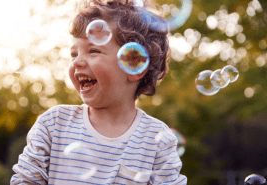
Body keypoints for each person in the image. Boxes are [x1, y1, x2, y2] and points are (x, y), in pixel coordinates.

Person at [10, 0, 187, 184]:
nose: (77, 62)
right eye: (74, 54)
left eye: (93, 50)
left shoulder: (157, 141)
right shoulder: (53, 125)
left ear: (134, 65)